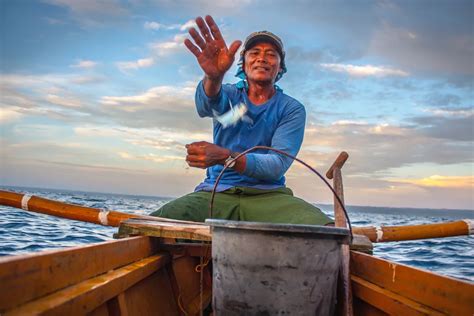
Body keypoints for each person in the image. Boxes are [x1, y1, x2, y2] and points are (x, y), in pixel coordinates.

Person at [150, 15, 332, 226]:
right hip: (216, 191)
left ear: (280, 67)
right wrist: (214, 77)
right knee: (146, 226)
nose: (262, 58)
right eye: (254, 53)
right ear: (243, 65)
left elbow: (276, 165)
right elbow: (206, 105)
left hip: (269, 196)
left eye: (271, 55)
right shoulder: (229, 94)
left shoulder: (291, 109)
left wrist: (225, 157)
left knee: (327, 230)